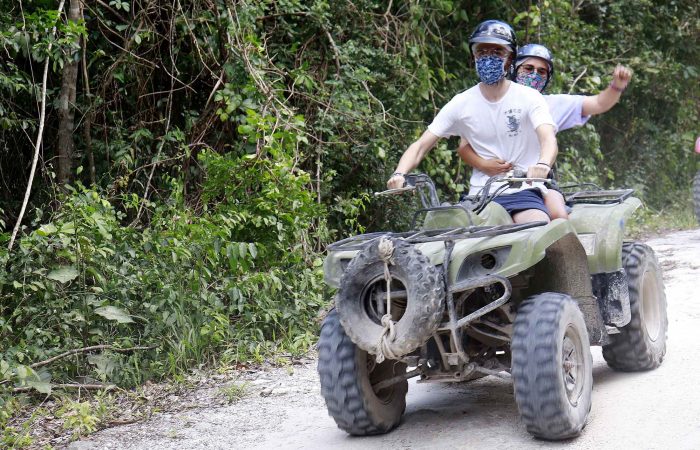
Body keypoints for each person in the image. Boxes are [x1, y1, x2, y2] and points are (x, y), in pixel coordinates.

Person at [387, 21, 558, 224]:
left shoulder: (529, 97)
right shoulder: (461, 103)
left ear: (510, 57)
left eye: (497, 51)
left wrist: (542, 164)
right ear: (474, 56)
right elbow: (421, 145)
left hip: (521, 191)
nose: (489, 57)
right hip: (478, 198)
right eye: (482, 51)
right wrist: (399, 174)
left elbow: (548, 138)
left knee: (537, 227)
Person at [458, 43, 633, 219]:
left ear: (548, 78)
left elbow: (599, 104)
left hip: (535, 183)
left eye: (541, 72)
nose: (534, 75)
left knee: (557, 213)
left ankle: (562, 245)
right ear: (514, 68)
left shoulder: (550, 104)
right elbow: (464, 146)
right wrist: (483, 165)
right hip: (488, 186)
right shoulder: (490, 100)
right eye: (528, 68)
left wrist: (617, 86)